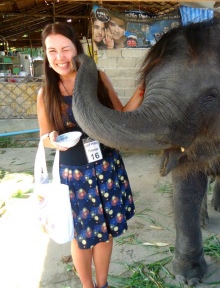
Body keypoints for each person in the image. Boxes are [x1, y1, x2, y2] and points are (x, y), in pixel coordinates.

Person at [37, 22, 144, 288]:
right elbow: (44, 138)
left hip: (106, 167)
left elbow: (119, 116)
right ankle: (87, 286)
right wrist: (51, 140)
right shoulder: (46, 93)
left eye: (65, 49)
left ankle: (103, 284)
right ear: (46, 55)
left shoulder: (98, 78)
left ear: (77, 50)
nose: (59, 57)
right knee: (81, 237)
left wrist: (143, 90)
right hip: (73, 176)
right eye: (52, 51)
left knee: (105, 234)